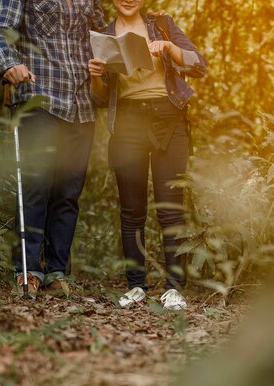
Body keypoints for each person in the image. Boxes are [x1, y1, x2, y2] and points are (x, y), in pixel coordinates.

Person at [88, 0, 206, 310]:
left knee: (170, 207)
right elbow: (100, 100)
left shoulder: (162, 23)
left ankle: (174, 287)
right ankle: (136, 286)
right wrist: (96, 75)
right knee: (131, 209)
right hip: (127, 122)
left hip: (169, 118)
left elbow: (198, 65)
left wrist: (168, 46)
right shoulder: (103, 36)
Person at [0, 0, 106, 299]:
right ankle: (27, 270)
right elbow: (0, 28)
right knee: (36, 185)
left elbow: (103, 39)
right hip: (39, 98)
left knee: (68, 192)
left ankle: (56, 271)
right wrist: (9, 64)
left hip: (82, 105)